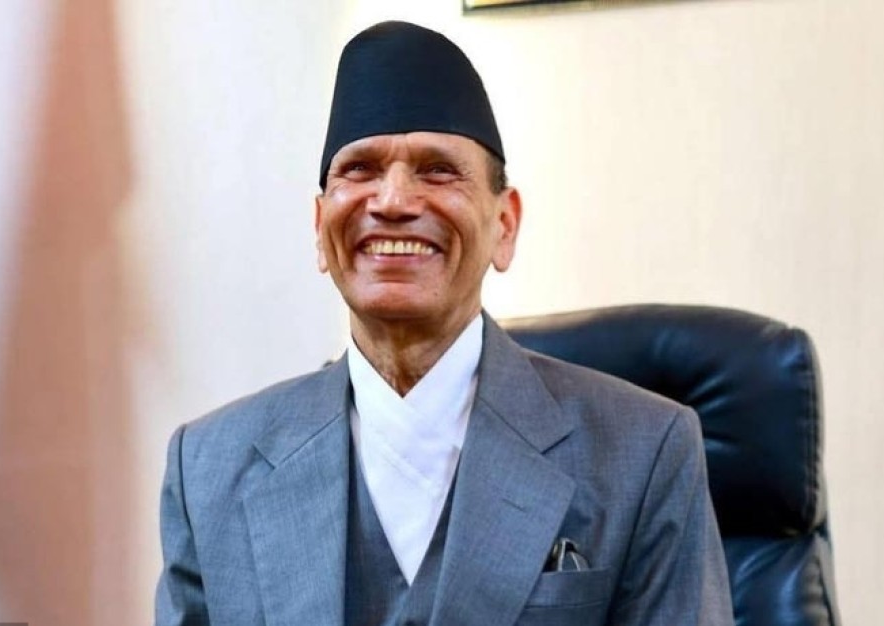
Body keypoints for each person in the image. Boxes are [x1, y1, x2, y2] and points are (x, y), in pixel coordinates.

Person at [155, 20, 733, 626]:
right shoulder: (208, 469)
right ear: (320, 228)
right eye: (360, 169)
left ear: (504, 226)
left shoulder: (645, 452)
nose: (392, 201)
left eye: (437, 170)